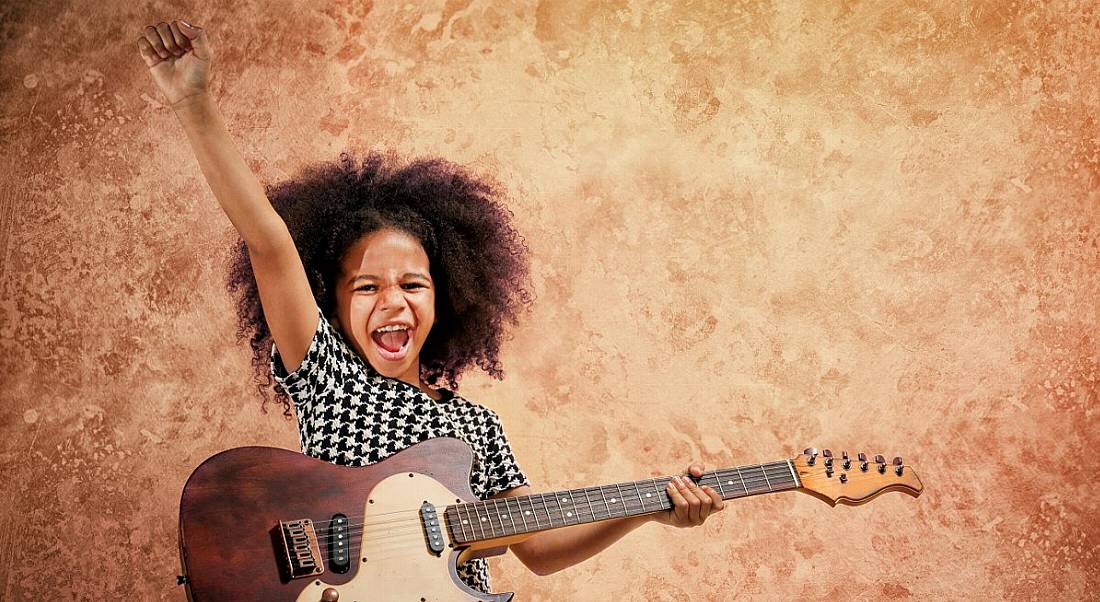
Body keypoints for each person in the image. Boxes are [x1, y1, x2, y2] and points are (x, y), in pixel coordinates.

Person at [138, 19, 724, 594]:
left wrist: (647, 509)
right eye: (367, 287)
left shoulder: (476, 427)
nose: (393, 301)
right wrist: (193, 103)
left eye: (413, 285)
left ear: (445, 300)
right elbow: (267, 240)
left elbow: (540, 552)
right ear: (333, 307)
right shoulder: (328, 378)